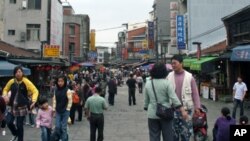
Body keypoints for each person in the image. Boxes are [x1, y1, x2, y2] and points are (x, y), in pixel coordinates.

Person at [144, 62, 189, 141]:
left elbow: (146, 100)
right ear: (164, 72)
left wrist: (146, 106)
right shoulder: (167, 83)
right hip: (166, 114)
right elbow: (174, 98)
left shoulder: (148, 83)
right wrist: (182, 109)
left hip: (152, 114)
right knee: (168, 136)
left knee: (154, 136)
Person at [167, 55, 201, 141]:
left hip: (186, 111)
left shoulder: (189, 77)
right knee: (173, 135)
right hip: (172, 110)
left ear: (181, 63)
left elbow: (195, 93)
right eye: (172, 64)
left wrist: (197, 107)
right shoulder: (169, 76)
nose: (173, 65)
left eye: (175, 63)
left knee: (185, 134)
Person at [2, 66, 39, 141]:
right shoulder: (11, 81)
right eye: (16, 72)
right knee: (8, 122)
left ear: (22, 73)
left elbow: (35, 91)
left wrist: (34, 101)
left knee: (19, 125)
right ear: (14, 73)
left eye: (19, 72)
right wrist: (5, 95)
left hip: (22, 107)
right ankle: (15, 134)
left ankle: (20, 139)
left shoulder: (26, 81)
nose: (18, 73)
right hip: (12, 107)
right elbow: (5, 89)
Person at [52, 75, 72, 141]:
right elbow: (54, 99)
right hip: (58, 110)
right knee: (57, 126)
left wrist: (67, 109)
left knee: (63, 127)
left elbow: (70, 101)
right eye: (59, 81)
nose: (60, 83)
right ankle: (61, 137)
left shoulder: (67, 90)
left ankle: (64, 139)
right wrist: (54, 109)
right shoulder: (56, 89)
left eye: (62, 81)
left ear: (65, 82)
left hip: (65, 111)